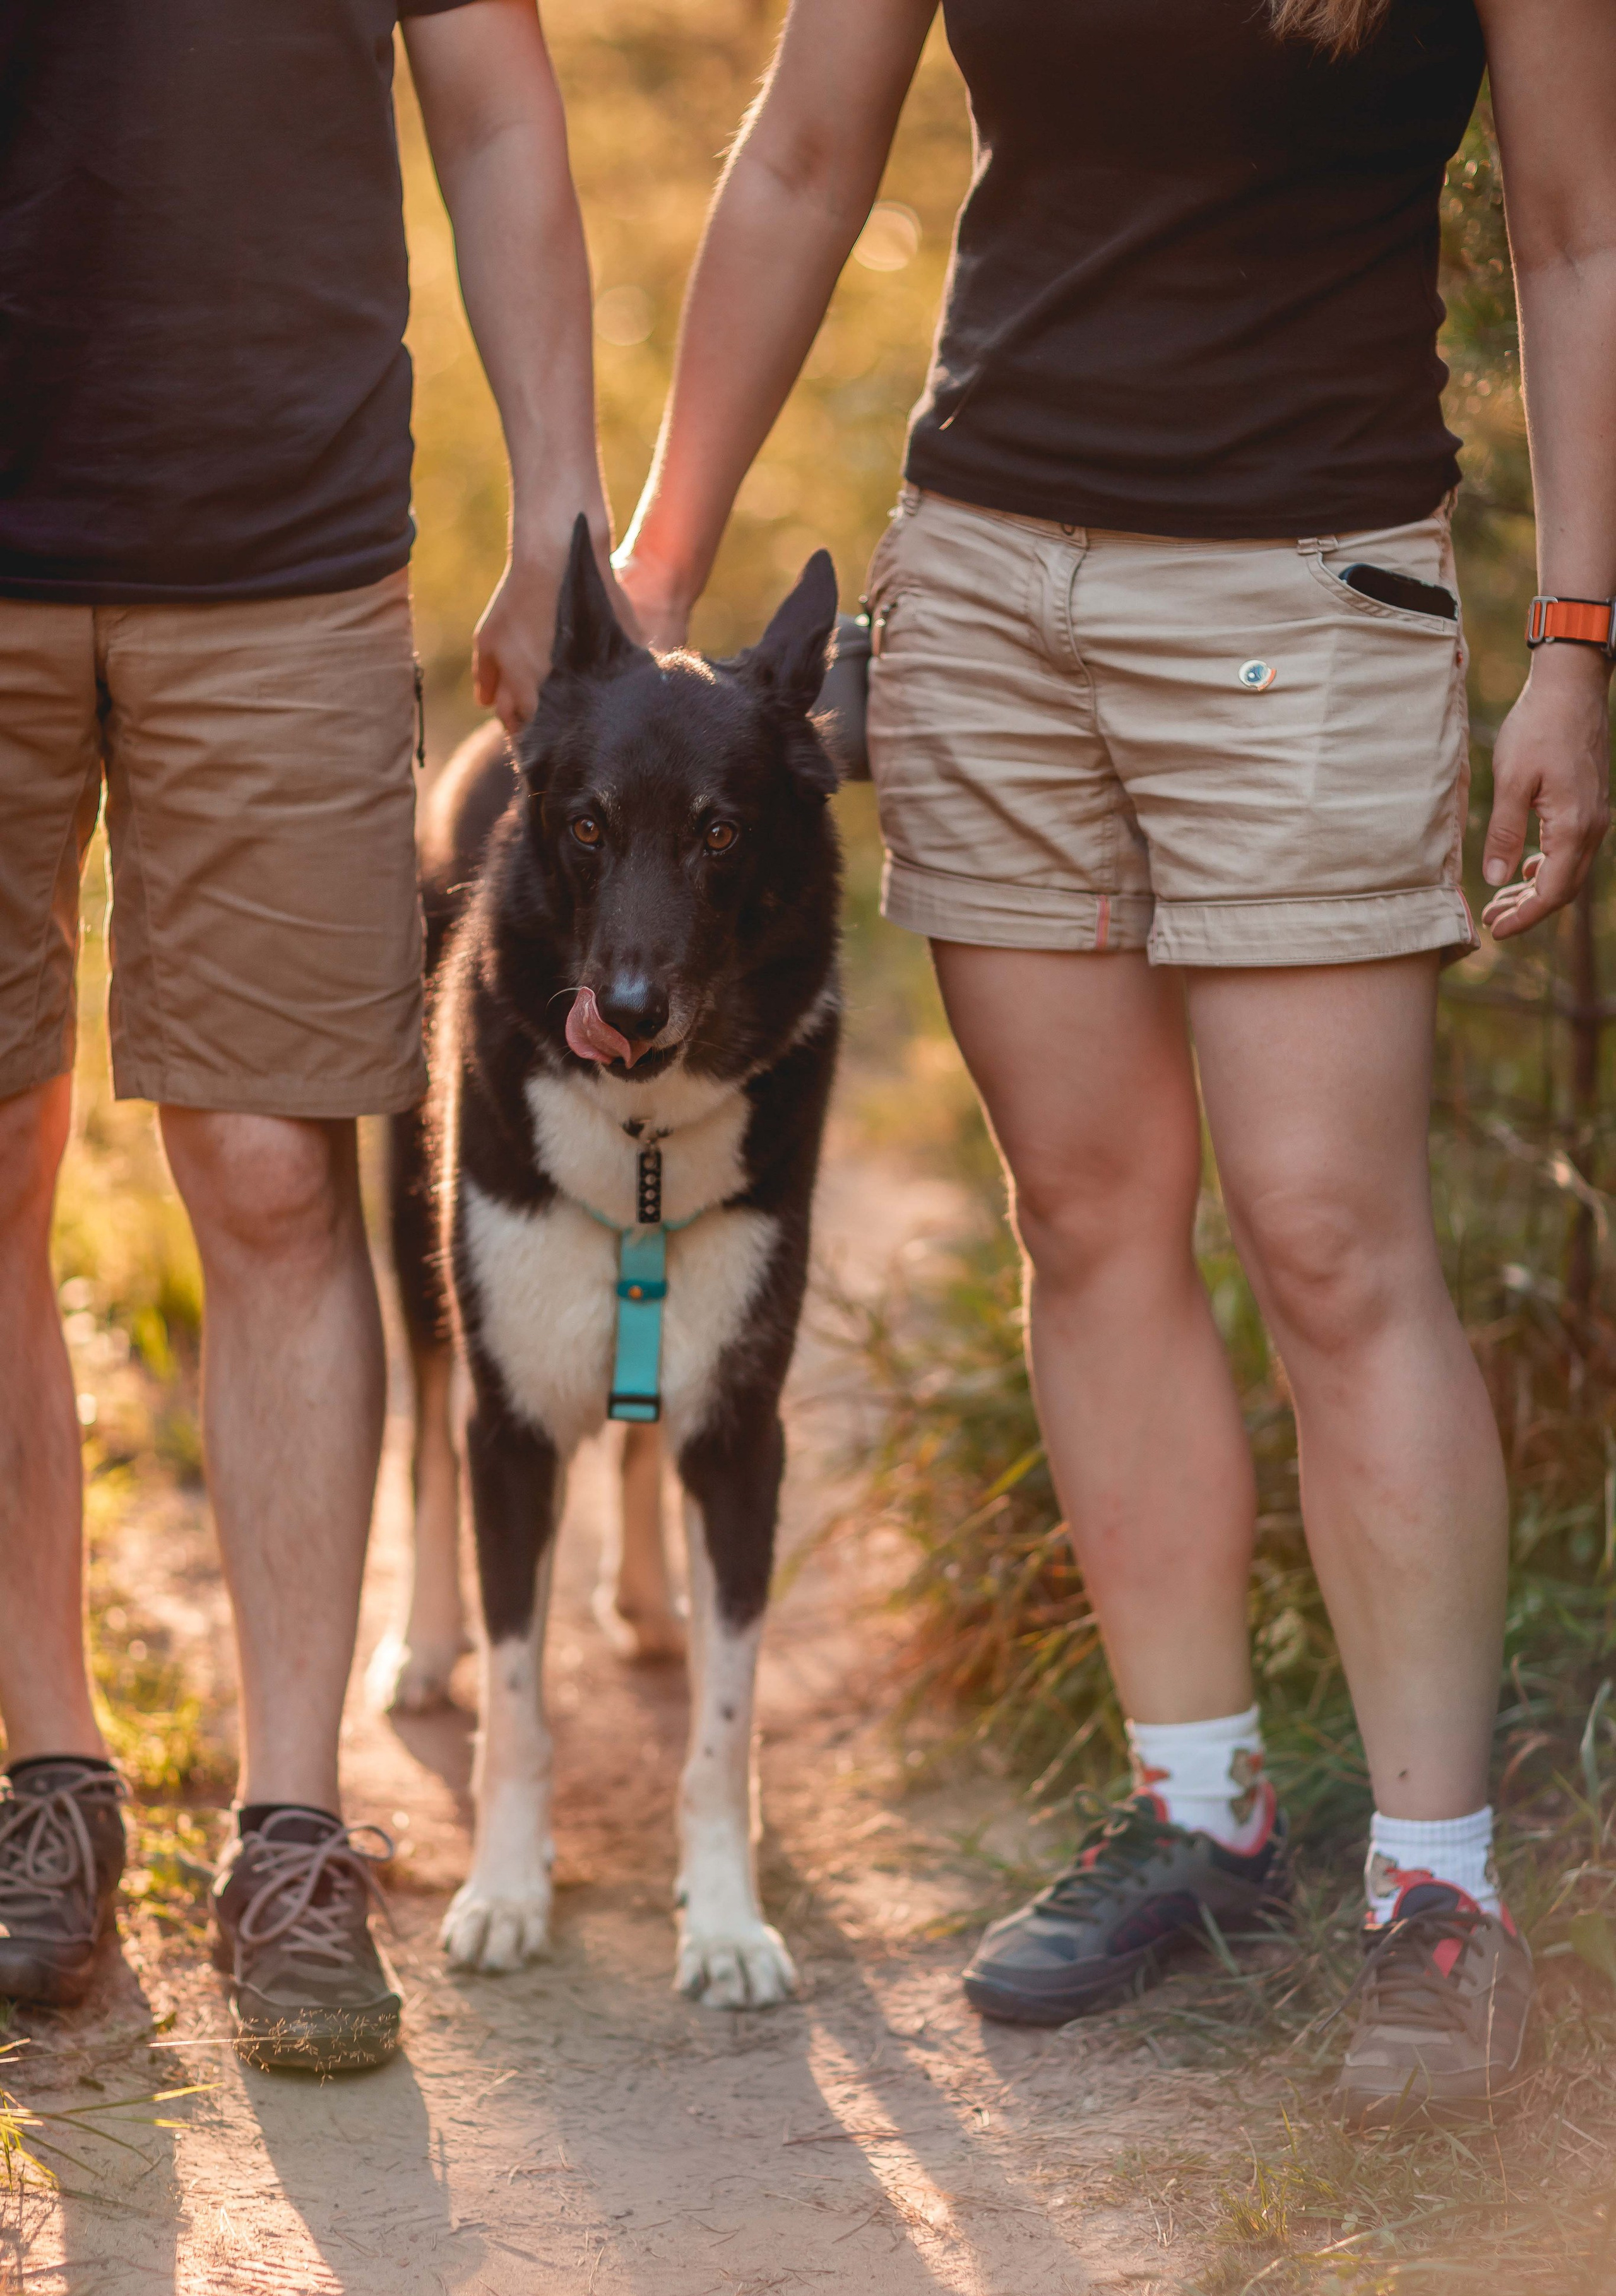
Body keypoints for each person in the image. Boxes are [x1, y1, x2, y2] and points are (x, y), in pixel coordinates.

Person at [614, 0, 1616, 2122]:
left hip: (1310, 603)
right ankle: (1203, 1813)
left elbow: (1575, 224)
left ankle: (1441, 1895)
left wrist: (1576, 643)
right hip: (989, 596)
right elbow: (804, 153)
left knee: (1332, 1240)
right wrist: (661, 562)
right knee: (1083, 1214)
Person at [0, 0, 620, 2073]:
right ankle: (50, 1784)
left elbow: (498, 110)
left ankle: (290, 1831)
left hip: (282, 560)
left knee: (275, 1174)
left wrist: (558, 506)